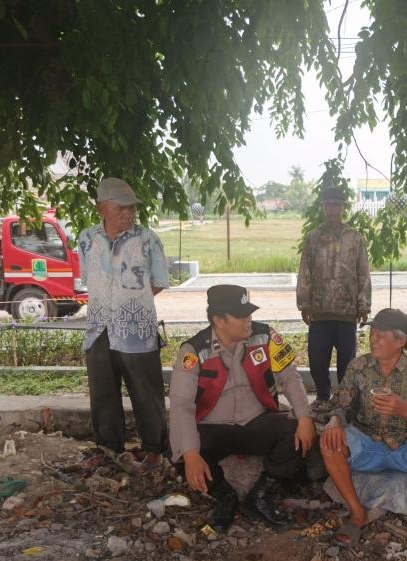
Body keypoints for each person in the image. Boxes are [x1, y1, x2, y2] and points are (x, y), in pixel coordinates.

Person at [168, 284, 315, 534]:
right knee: (177, 443)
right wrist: (191, 453)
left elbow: (290, 377)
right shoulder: (193, 350)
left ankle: (260, 495)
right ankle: (225, 496)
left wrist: (304, 417)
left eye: (249, 314)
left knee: (295, 429)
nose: (249, 320)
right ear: (218, 320)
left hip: (256, 423)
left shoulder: (266, 336)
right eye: (241, 315)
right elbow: (182, 405)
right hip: (214, 428)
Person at [320, 308, 407, 553]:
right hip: (369, 447)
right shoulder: (359, 367)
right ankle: (358, 513)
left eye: (380, 335)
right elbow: (340, 406)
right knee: (329, 440)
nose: (373, 339)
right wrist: (334, 421)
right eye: (372, 334)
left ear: (401, 340)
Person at [78, 177, 169, 469]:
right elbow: (87, 279)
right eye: (121, 208)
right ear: (101, 208)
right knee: (102, 391)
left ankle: (155, 450)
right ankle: (108, 449)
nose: (129, 214)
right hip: (99, 329)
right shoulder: (86, 239)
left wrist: (130, 304)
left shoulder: (147, 239)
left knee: (146, 391)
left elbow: (159, 281)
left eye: (132, 209)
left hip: (137, 330)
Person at [296, 186, 371, 403]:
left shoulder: (355, 238)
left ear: (343, 207)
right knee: (317, 358)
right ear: (323, 207)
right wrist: (304, 303)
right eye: (328, 204)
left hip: (347, 312)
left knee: (347, 361)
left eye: (337, 204)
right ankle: (322, 397)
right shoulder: (313, 238)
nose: (332, 209)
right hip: (319, 311)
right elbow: (305, 271)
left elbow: (363, 272)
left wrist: (363, 305)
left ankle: (345, 400)